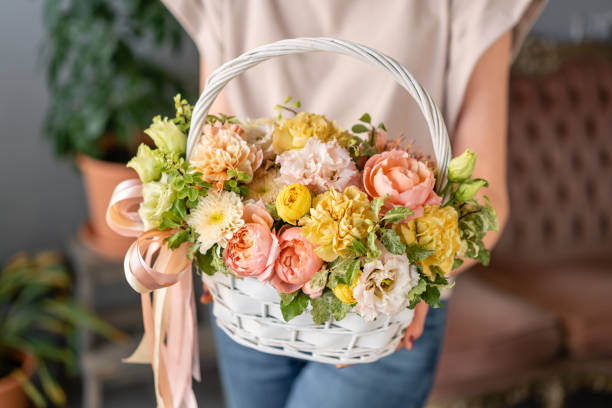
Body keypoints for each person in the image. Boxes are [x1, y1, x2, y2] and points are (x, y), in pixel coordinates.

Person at [162, 1, 546, 407]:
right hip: (252, 302)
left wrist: (413, 286)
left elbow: (487, 197)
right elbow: (213, 147)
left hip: (382, 311)